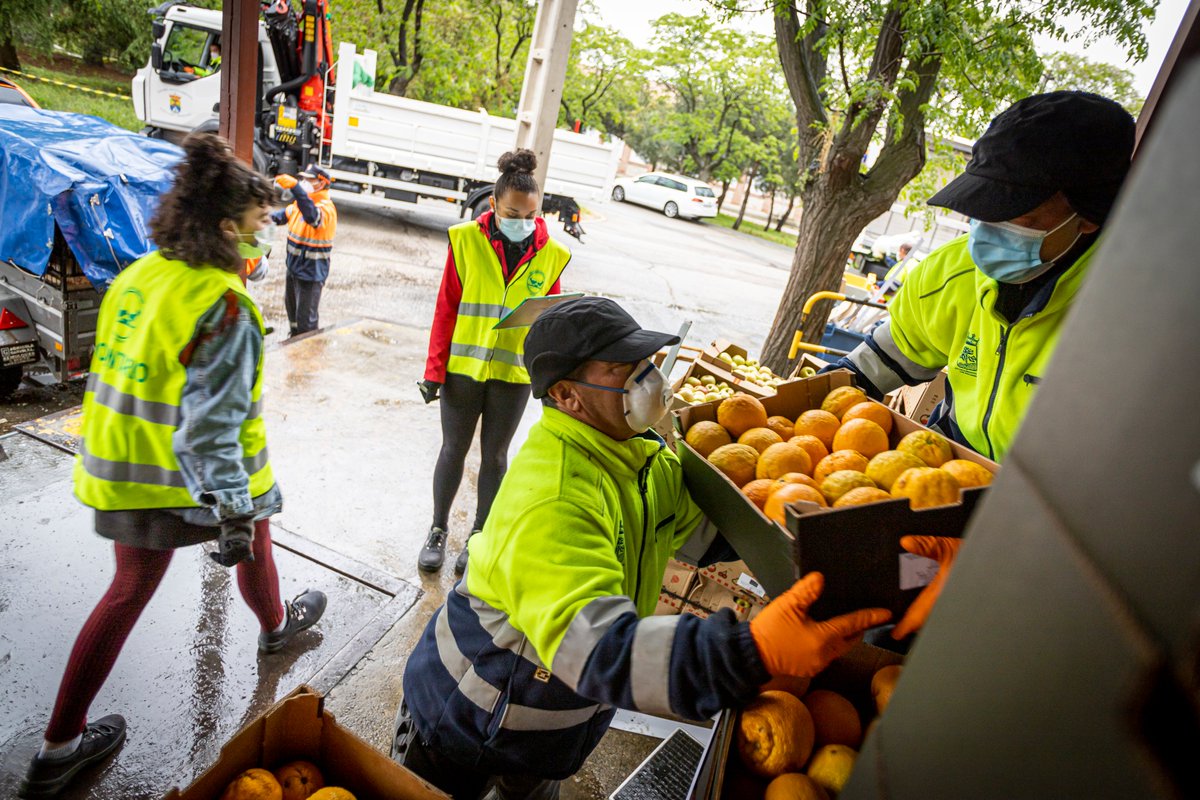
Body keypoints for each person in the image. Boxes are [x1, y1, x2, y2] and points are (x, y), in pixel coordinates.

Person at [393, 296, 891, 799]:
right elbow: (601, 650)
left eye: (647, 362)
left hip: (548, 727)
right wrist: (749, 650)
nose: (650, 379)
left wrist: (840, 548)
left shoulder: (641, 458)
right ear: (567, 395)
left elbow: (710, 533)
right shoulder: (552, 499)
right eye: (622, 369)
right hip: (462, 716)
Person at [18, 134, 327, 799]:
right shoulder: (223, 304)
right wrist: (234, 508)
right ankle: (276, 630)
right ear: (224, 228)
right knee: (255, 532)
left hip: (116, 466)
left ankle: (57, 749)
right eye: (255, 225)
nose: (262, 237)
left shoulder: (140, 274)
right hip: (179, 478)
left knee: (128, 589)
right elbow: (212, 428)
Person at [829, 91, 1135, 462]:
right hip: (950, 467)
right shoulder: (948, 274)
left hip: (1051, 500)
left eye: (1012, 212)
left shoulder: (1133, 318)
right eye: (981, 206)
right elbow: (872, 367)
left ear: (1087, 216)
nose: (985, 229)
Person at [415, 148, 570, 575]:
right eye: (513, 213)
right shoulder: (465, 241)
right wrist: (433, 370)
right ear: (493, 206)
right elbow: (446, 308)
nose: (523, 222)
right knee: (453, 450)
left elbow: (549, 319)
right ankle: (437, 530)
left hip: (513, 375)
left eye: (531, 214)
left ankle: (479, 536)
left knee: (496, 457)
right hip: (463, 370)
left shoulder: (551, 254)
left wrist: (551, 377)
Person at [272, 164, 336, 337]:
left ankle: (307, 357)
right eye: (302, 180)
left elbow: (312, 217)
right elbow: (278, 217)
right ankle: (294, 340)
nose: (304, 183)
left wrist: (295, 187)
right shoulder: (299, 204)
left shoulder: (325, 208)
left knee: (306, 323)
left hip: (310, 274)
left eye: (309, 180)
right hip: (293, 269)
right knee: (293, 315)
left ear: (321, 184)